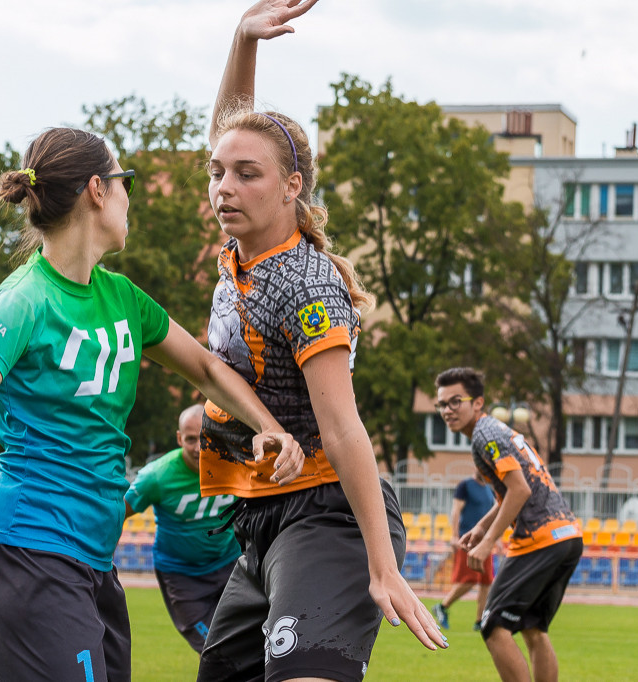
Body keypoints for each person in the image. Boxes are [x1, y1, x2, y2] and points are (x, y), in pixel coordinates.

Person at [0, 126, 307, 682]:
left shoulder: (122, 297)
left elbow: (205, 369)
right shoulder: (23, 301)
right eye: (127, 183)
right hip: (29, 550)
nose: (130, 198)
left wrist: (269, 426)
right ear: (99, 190)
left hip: (93, 560)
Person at [195, 2, 447, 680]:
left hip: (327, 514)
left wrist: (381, 565)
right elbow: (230, 135)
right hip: (261, 516)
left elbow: (341, 427)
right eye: (218, 173)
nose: (224, 187)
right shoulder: (241, 253)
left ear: (292, 187)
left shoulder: (306, 283)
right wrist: (243, 40)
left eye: (247, 175)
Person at [435, 367, 583, 682]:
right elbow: (511, 491)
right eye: (442, 404)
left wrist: (489, 541)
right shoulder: (495, 430)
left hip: (540, 539)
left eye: (455, 401)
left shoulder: (484, 435)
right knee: (533, 628)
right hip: (567, 536)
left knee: (492, 625)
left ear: (478, 403)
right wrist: (481, 527)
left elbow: (520, 490)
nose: (447, 410)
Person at [124, 404, 240, 653]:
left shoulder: (237, 464)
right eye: (190, 439)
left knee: (250, 642)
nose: (199, 447)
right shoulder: (157, 476)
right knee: (214, 650)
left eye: (206, 437)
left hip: (230, 564)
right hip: (182, 575)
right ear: (179, 438)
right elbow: (117, 513)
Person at [432, 471, 497, 631]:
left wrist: (496, 539)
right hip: (468, 540)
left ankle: (479, 620)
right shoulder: (465, 486)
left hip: (485, 542)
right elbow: (456, 511)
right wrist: (454, 536)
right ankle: (443, 606)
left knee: (486, 581)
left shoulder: (489, 490)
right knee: (469, 579)